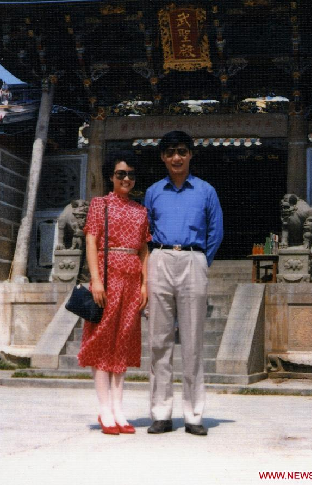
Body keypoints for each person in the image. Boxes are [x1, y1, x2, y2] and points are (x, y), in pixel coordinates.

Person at [144, 131, 223, 436]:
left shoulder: (206, 191)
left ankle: (193, 414)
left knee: (192, 341)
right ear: (163, 158)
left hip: (193, 258)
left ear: (191, 155)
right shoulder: (153, 192)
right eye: (169, 153)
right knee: (159, 341)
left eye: (181, 151)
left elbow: (215, 231)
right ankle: (161, 413)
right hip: (160, 258)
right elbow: (146, 230)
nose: (176, 158)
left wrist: (200, 261)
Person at [78, 150, 151, 435]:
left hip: (132, 280)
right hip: (107, 278)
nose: (127, 179)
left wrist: (146, 284)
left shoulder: (141, 210)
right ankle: (105, 408)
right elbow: (91, 241)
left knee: (124, 342)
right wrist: (95, 280)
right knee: (101, 341)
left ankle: (120, 409)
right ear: (111, 177)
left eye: (131, 174)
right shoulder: (100, 205)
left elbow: (145, 249)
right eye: (121, 174)